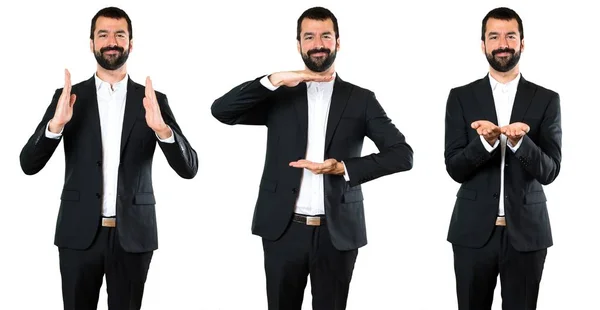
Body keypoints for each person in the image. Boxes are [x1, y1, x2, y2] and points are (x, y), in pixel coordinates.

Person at [211, 6, 413, 310]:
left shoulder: (361, 99)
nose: (318, 43)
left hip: (338, 234)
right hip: (283, 230)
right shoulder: (279, 95)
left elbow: (402, 155)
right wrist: (273, 79)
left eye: (325, 36)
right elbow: (222, 111)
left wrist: (343, 167)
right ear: (299, 45)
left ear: (338, 42)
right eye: (309, 36)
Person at [19, 6, 198, 310]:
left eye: (120, 34)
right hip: (78, 234)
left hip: (133, 236)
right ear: (92, 43)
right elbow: (28, 164)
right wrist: (56, 125)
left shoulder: (153, 100)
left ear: (131, 42)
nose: (111, 41)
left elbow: (189, 168)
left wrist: (162, 130)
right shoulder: (68, 97)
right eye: (103, 34)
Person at [444, 7, 561, 310]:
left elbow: (550, 171)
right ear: (483, 44)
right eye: (493, 36)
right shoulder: (460, 97)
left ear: (523, 42)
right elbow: (454, 167)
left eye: (510, 35)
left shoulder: (547, 99)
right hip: (471, 234)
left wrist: (521, 144)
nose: (502, 43)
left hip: (527, 235)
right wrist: (485, 143)